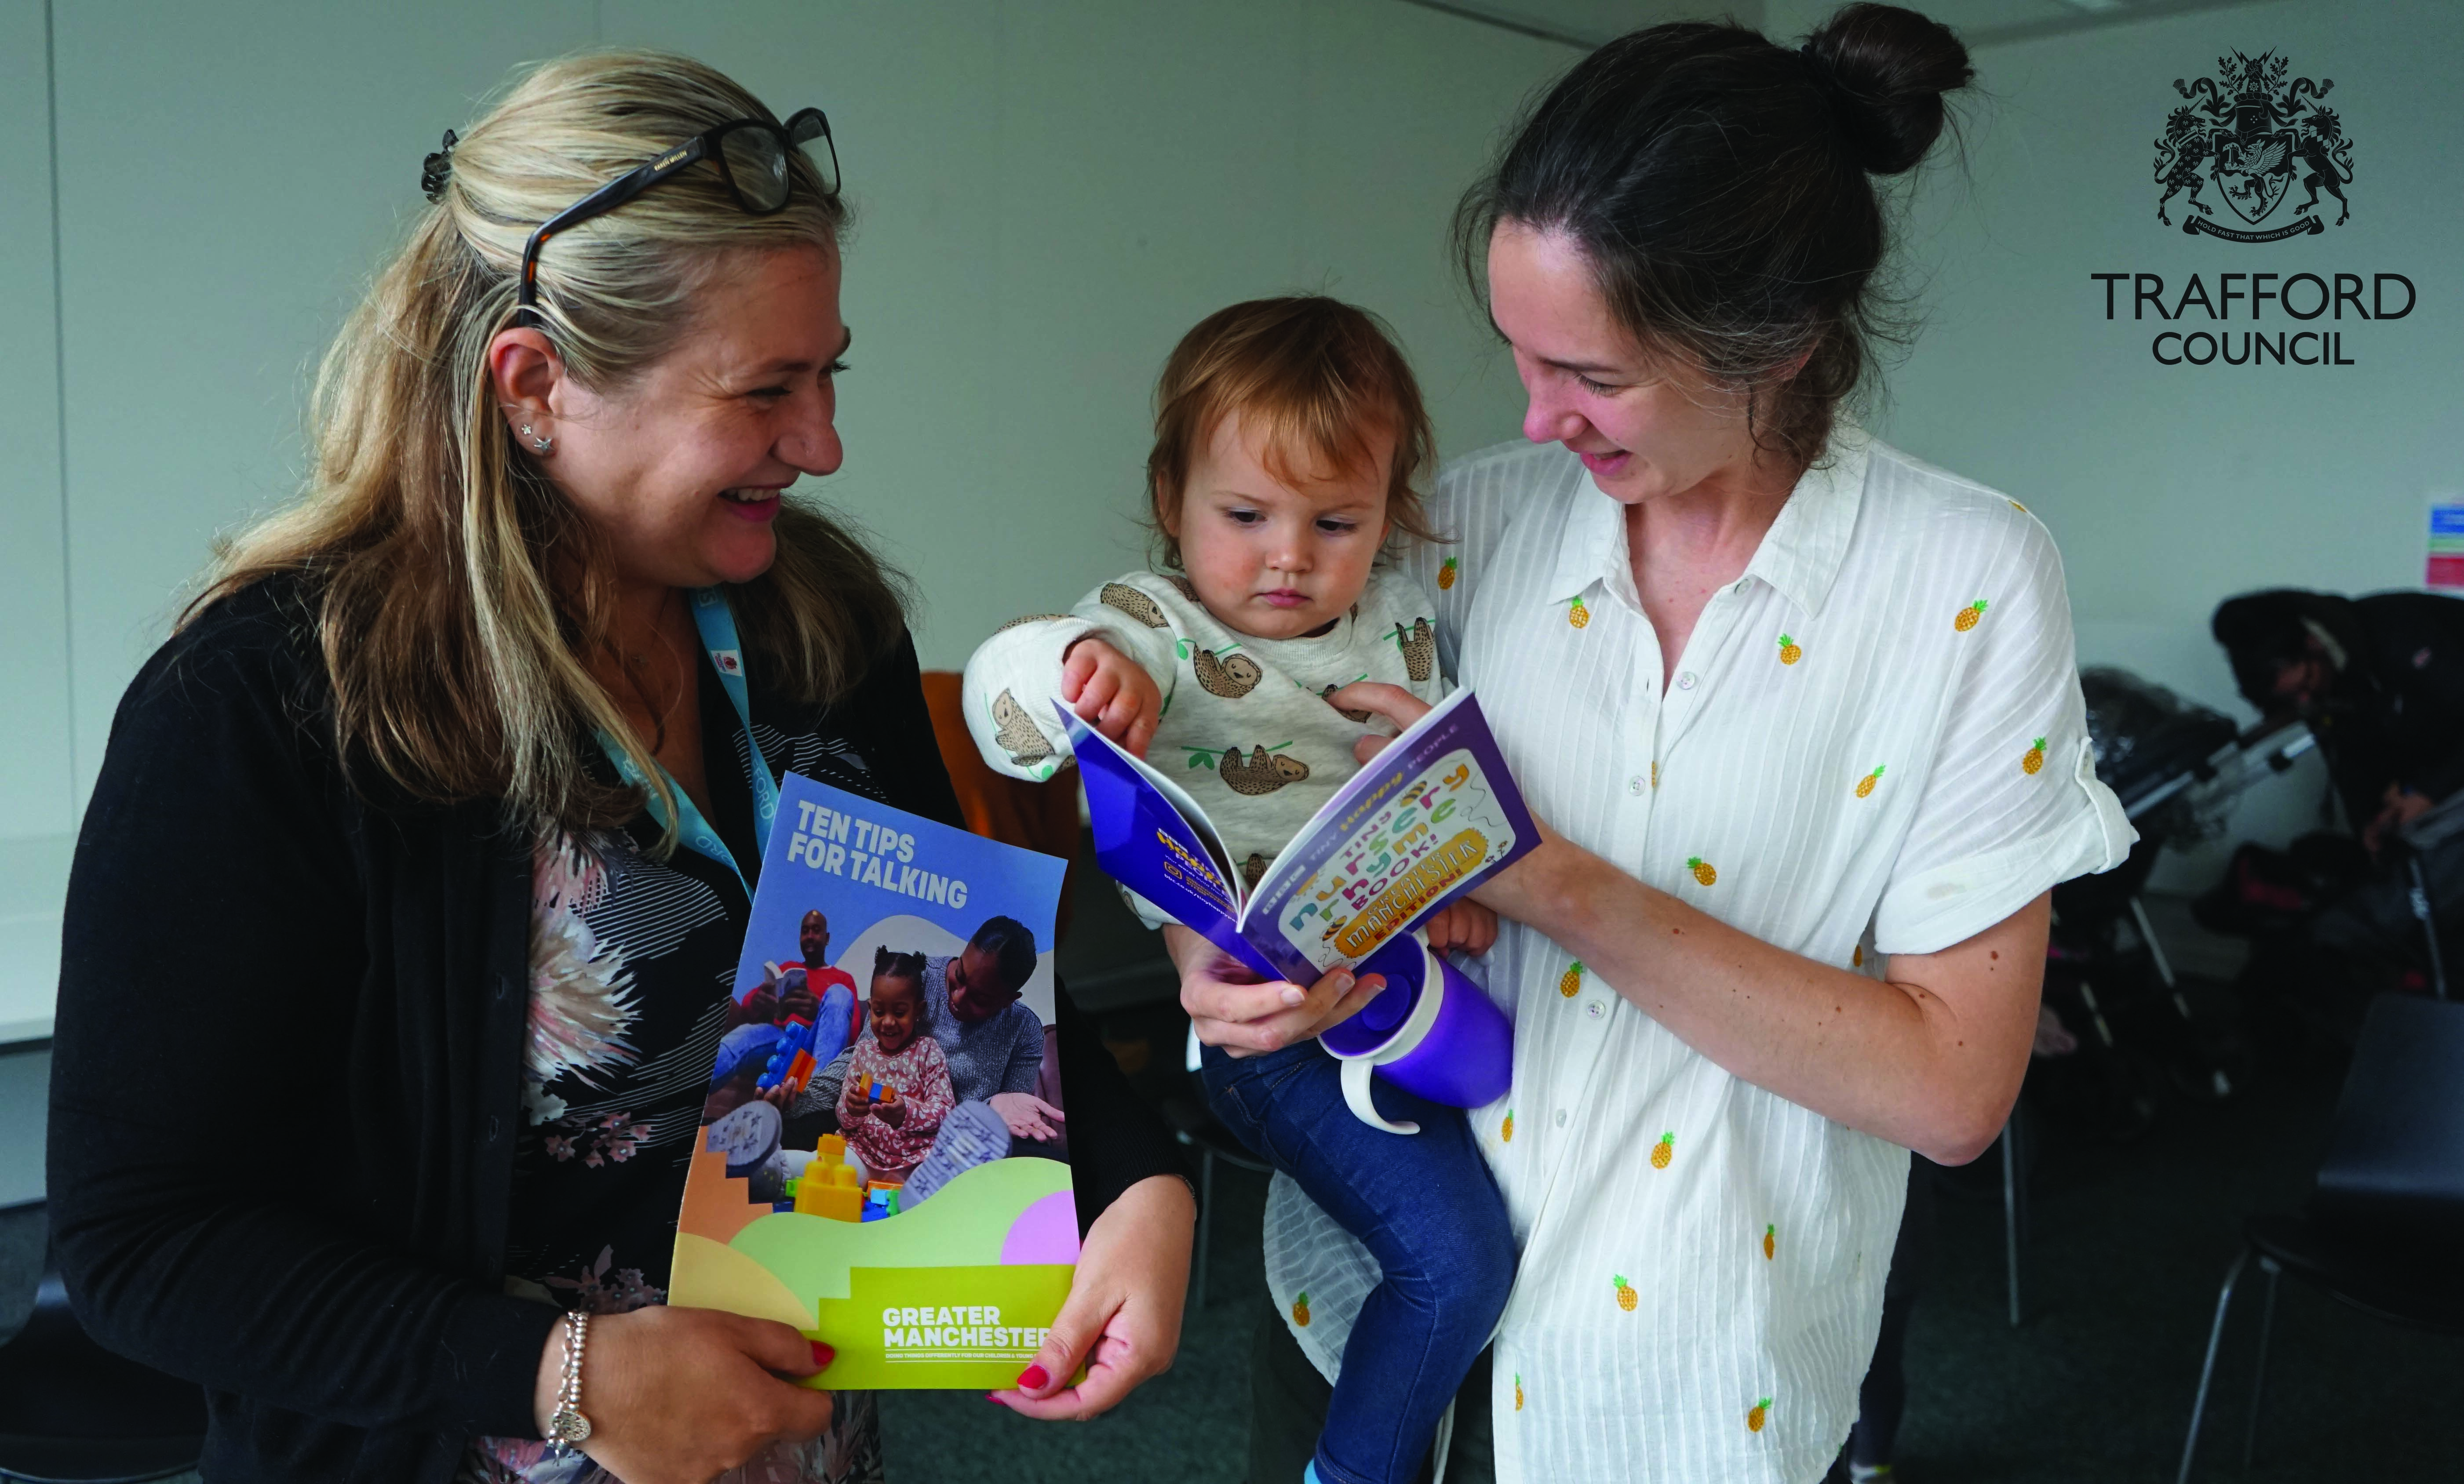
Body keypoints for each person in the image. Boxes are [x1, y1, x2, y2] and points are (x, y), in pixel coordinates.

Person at [47, 52, 1192, 1484]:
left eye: (828, 373)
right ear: (535, 386)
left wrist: (1137, 1169)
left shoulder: (819, 628)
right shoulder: (271, 705)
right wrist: (560, 1373)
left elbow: (960, 976)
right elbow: (143, 1238)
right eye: (763, 389)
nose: (823, 442)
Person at [1175, 9, 2132, 1482]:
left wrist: (1555, 884)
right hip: (1362, 1315)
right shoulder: (1461, 526)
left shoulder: (1963, 579)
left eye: (1593, 375)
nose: (1533, 413)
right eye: (1516, 352)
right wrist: (1227, 943)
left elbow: (1951, 1092)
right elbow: (1242, 755)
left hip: (1685, 1390)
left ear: (1780, 343)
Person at [962, 295, 1512, 1484]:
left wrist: (1448, 883)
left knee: (1511, 1162)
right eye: (1245, 514)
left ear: (1391, 516)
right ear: (1172, 502)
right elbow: (1020, 700)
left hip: (1399, 979)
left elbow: (1439, 796)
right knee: (1456, 1259)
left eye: (1337, 520)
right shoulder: (1150, 622)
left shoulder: (1407, 622)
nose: (1288, 556)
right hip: (1263, 1029)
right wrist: (1084, 678)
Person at [837, 949, 955, 1182]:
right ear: (870, 1008)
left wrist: (906, 1113)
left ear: (918, 1011)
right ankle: (776, 1166)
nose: (889, 1022)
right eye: (879, 1012)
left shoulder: (927, 1051)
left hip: (914, 1162)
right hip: (862, 1154)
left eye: (900, 1013)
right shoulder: (864, 1052)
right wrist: (851, 1109)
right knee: (822, 1164)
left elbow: (945, 1112)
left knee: (943, 1177)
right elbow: (843, 1117)